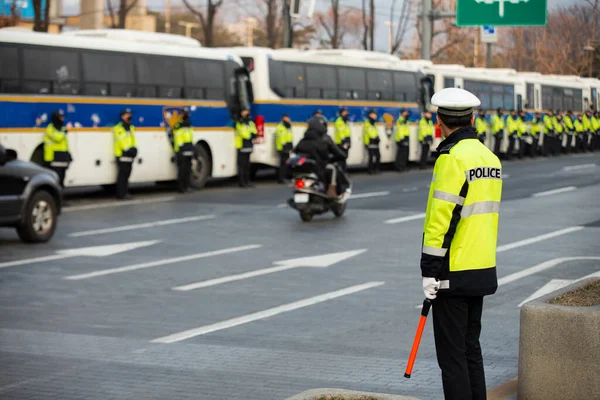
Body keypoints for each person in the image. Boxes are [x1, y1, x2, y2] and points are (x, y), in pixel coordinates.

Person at [420, 87, 501, 400]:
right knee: (470, 352)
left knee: (452, 359)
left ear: (440, 121)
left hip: (451, 272)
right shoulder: (490, 159)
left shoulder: (452, 159)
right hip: (481, 267)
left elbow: (441, 222)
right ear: (473, 117)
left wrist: (429, 272)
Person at [294, 116, 347, 198]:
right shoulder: (325, 138)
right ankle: (331, 191)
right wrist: (342, 155)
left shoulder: (305, 138)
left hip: (308, 169)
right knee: (332, 169)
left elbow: (296, 150)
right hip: (320, 167)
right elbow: (337, 152)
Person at [113, 108, 138, 200]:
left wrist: (134, 149)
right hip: (122, 155)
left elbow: (132, 140)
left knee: (127, 175)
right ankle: (121, 194)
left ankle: (125, 192)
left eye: (130, 114)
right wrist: (128, 150)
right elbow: (121, 141)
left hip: (129, 155)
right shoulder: (118, 128)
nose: (130, 116)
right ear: (122, 116)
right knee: (122, 176)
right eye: (128, 114)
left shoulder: (130, 127)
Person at [44, 110, 71, 188]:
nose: (62, 119)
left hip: (63, 156)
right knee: (56, 178)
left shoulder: (62, 128)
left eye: (63, 117)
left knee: (62, 177)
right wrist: (65, 131)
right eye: (60, 117)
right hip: (54, 157)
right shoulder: (50, 128)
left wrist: (68, 155)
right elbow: (57, 138)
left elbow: (65, 144)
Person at [172, 107, 195, 193]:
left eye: (187, 113)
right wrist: (182, 148)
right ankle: (181, 188)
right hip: (181, 151)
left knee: (188, 170)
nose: (186, 115)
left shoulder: (189, 124)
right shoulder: (179, 125)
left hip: (188, 150)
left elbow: (190, 137)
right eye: (185, 113)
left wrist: (192, 148)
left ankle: (187, 186)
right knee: (182, 170)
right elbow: (178, 138)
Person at [234, 107, 258, 188]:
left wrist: (252, 135)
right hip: (241, 146)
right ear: (241, 113)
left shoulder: (250, 122)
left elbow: (255, 132)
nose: (247, 112)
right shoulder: (239, 122)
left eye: (247, 111)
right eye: (245, 111)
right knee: (242, 165)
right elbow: (243, 134)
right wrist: (250, 135)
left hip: (249, 146)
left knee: (247, 165)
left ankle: (247, 181)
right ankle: (242, 182)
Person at [275, 114, 293, 183]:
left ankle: (283, 178)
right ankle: (281, 178)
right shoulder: (281, 126)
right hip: (282, 148)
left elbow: (289, 136)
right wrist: (284, 145)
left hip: (287, 147)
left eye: (288, 118)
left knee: (286, 164)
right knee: (283, 164)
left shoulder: (288, 126)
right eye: (286, 118)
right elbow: (280, 137)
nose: (288, 119)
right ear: (283, 118)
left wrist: (290, 144)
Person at [363, 109, 380, 174]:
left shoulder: (374, 123)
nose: (375, 116)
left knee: (378, 156)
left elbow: (375, 131)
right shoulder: (367, 123)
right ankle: (370, 170)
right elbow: (370, 132)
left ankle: (376, 169)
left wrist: (378, 137)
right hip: (370, 142)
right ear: (370, 115)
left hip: (375, 141)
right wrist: (375, 137)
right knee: (371, 157)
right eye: (374, 114)